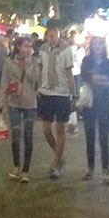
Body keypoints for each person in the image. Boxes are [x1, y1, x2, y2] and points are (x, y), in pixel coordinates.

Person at [37, 21, 75, 179]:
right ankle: (60, 157)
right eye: (49, 31)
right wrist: (38, 88)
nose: (51, 34)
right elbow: (40, 69)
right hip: (45, 92)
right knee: (46, 130)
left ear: (59, 31)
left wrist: (72, 95)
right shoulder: (43, 49)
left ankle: (55, 164)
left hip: (61, 93)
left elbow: (69, 73)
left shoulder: (67, 50)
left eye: (54, 31)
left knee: (60, 129)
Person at [0, 37, 40, 183]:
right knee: (16, 134)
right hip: (14, 102)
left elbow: (36, 80)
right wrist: (1, 103)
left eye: (30, 46)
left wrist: (29, 64)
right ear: (18, 47)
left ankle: (26, 171)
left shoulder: (35, 62)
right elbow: (4, 82)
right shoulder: (9, 62)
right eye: (25, 46)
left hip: (30, 102)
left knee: (28, 135)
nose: (28, 49)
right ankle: (16, 166)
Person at [80, 36, 109, 183]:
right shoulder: (86, 61)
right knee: (90, 136)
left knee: (104, 137)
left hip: (104, 103)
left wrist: (96, 78)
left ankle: (105, 172)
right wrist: (101, 79)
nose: (97, 46)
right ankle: (90, 169)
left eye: (100, 43)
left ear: (104, 46)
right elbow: (86, 77)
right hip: (90, 102)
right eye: (95, 43)